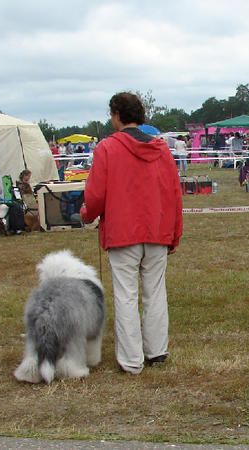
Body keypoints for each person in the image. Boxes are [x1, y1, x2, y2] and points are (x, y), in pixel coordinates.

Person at [80, 92, 183, 374]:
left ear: (115, 115)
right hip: (157, 231)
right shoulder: (162, 149)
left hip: (123, 232)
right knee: (155, 292)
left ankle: (131, 360)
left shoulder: (107, 148)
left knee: (126, 296)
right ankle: (157, 351)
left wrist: (87, 213)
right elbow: (175, 195)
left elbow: (96, 194)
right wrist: (174, 233)